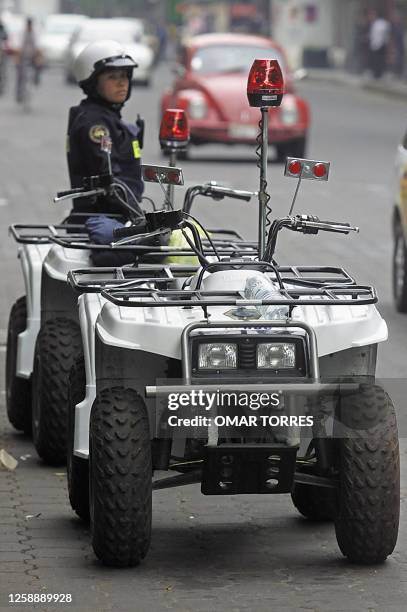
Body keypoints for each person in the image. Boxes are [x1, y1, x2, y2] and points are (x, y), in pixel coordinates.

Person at [67, 39, 144, 221]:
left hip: (119, 215)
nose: (121, 83)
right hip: (102, 219)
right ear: (92, 82)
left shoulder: (109, 118)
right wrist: (140, 219)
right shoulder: (94, 125)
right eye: (112, 77)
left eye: (125, 76)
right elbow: (110, 183)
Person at [15, 17, 42, 102]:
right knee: (20, 74)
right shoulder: (22, 33)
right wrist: (18, 58)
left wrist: (39, 57)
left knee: (39, 67)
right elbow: (18, 46)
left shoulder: (35, 33)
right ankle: (19, 93)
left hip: (33, 56)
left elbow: (38, 46)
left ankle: (36, 80)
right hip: (23, 56)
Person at [369, 8, 391, 79]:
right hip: (374, 45)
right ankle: (376, 74)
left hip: (381, 45)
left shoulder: (382, 23)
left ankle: (379, 74)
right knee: (375, 61)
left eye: (372, 15)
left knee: (379, 61)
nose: (371, 17)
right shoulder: (374, 23)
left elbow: (386, 34)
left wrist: (385, 43)